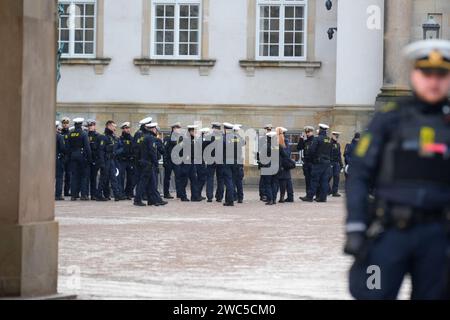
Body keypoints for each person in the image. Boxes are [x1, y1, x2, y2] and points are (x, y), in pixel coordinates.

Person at [344, 39, 450, 300]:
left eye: (441, 74)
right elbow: (358, 174)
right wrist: (355, 226)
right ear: (415, 75)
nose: (433, 82)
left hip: (438, 236)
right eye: (426, 73)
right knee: (372, 293)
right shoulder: (389, 119)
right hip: (389, 234)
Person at [134, 123, 168, 207]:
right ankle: (137, 200)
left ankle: (153, 200)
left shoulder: (143, 137)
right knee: (143, 183)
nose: (156, 131)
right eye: (156, 129)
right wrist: (155, 162)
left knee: (151, 183)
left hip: (144, 162)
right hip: (148, 163)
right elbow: (152, 152)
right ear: (153, 129)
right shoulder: (150, 138)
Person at [301, 124, 332, 203]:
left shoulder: (317, 139)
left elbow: (311, 150)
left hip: (318, 162)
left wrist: (312, 158)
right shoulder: (328, 139)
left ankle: (309, 197)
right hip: (327, 163)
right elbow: (331, 151)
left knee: (314, 180)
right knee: (324, 181)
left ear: (320, 130)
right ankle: (323, 198)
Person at [97, 120, 126, 201]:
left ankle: (117, 195)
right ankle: (99, 195)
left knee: (114, 178)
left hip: (111, 160)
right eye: (113, 127)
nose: (115, 129)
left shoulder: (113, 137)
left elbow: (119, 147)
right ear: (108, 126)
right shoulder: (103, 137)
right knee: (103, 179)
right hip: (105, 161)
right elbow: (101, 151)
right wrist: (102, 163)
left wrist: (115, 153)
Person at [66, 118, 92, 201]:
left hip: (73, 156)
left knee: (74, 176)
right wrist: (90, 158)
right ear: (81, 124)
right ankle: (83, 195)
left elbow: (68, 147)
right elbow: (87, 147)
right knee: (84, 176)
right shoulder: (84, 133)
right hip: (82, 156)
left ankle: (74, 195)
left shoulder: (70, 134)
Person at [179, 125, 202, 202]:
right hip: (186, 162)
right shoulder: (184, 139)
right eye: (193, 131)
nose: (195, 133)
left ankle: (194, 196)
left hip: (192, 161)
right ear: (190, 132)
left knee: (194, 179)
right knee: (184, 180)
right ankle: (183, 196)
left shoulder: (194, 140)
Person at [205, 122, 224, 203]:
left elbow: (203, 147)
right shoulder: (223, 136)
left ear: (213, 128)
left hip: (210, 160)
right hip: (220, 160)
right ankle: (219, 197)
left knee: (210, 178)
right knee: (221, 179)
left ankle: (209, 197)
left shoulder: (209, 136)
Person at [163, 122, 182, 199]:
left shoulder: (180, 138)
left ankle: (179, 193)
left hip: (177, 160)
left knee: (178, 177)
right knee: (167, 177)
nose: (178, 130)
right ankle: (166, 193)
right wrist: (165, 161)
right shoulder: (168, 138)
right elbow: (165, 150)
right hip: (169, 160)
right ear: (173, 129)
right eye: (177, 128)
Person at [260, 131, 279, 205]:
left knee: (267, 184)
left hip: (267, 167)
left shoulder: (265, 146)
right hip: (275, 166)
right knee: (274, 183)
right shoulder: (277, 146)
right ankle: (274, 199)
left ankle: (270, 199)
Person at [118, 122, 135, 200]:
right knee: (121, 178)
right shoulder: (120, 139)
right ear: (123, 129)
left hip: (130, 160)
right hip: (122, 161)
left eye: (128, 128)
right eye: (125, 128)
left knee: (131, 178)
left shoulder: (132, 138)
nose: (127, 129)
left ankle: (128, 193)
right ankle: (121, 193)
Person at [297, 126, 315, 200]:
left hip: (313, 163)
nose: (307, 133)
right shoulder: (306, 141)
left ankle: (312, 195)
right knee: (307, 180)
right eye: (306, 132)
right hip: (306, 163)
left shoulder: (315, 140)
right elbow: (299, 148)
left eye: (309, 132)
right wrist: (301, 139)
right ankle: (308, 195)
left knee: (313, 180)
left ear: (312, 132)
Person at [278, 127, 294, 203]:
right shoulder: (282, 141)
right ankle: (290, 197)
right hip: (284, 163)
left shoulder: (285, 142)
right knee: (287, 180)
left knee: (284, 180)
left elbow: (286, 154)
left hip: (284, 164)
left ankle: (283, 197)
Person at [258, 124, 273, 202]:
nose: (268, 131)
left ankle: (268, 194)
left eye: (269, 130)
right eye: (267, 130)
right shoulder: (262, 139)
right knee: (263, 180)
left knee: (269, 180)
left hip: (271, 162)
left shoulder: (273, 138)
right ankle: (262, 194)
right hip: (264, 162)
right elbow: (260, 151)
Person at [86, 120, 101, 200]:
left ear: (94, 126)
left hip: (95, 159)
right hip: (87, 159)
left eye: (91, 125)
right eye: (89, 126)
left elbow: (99, 149)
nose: (90, 127)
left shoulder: (98, 135)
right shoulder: (86, 134)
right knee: (86, 177)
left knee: (93, 178)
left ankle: (93, 194)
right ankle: (85, 193)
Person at [231, 124, 246, 204]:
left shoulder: (229, 137)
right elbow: (244, 142)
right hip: (239, 161)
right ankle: (240, 197)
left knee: (232, 180)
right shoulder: (239, 138)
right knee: (239, 181)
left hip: (232, 161)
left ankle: (234, 196)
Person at [329, 131, 344, 197]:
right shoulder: (329, 143)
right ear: (332, 136)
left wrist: (341, 164)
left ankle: (334, 192)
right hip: (330, 163)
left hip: (336, 163)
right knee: (327, 177)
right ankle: (328, 190)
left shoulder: (337, 144)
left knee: (336, 178)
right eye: (335, 136)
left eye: (337, 136)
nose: (337, 137)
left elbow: (339, 155)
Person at [60, 117, 72, 197]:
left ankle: (66, 191)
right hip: (61, 156)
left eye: (66, 123)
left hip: (68, 156)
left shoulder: (70, 134)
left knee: (68, 175)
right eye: (64, 123)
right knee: (60, 175)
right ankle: (59, 192)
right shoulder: (59, 133)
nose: (65, 125)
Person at [55, 121, 66, 201]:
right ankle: (58, 195)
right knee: (59, 177)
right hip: (57, 159)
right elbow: (63, 148)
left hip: (47, 160)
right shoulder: (59, 137)